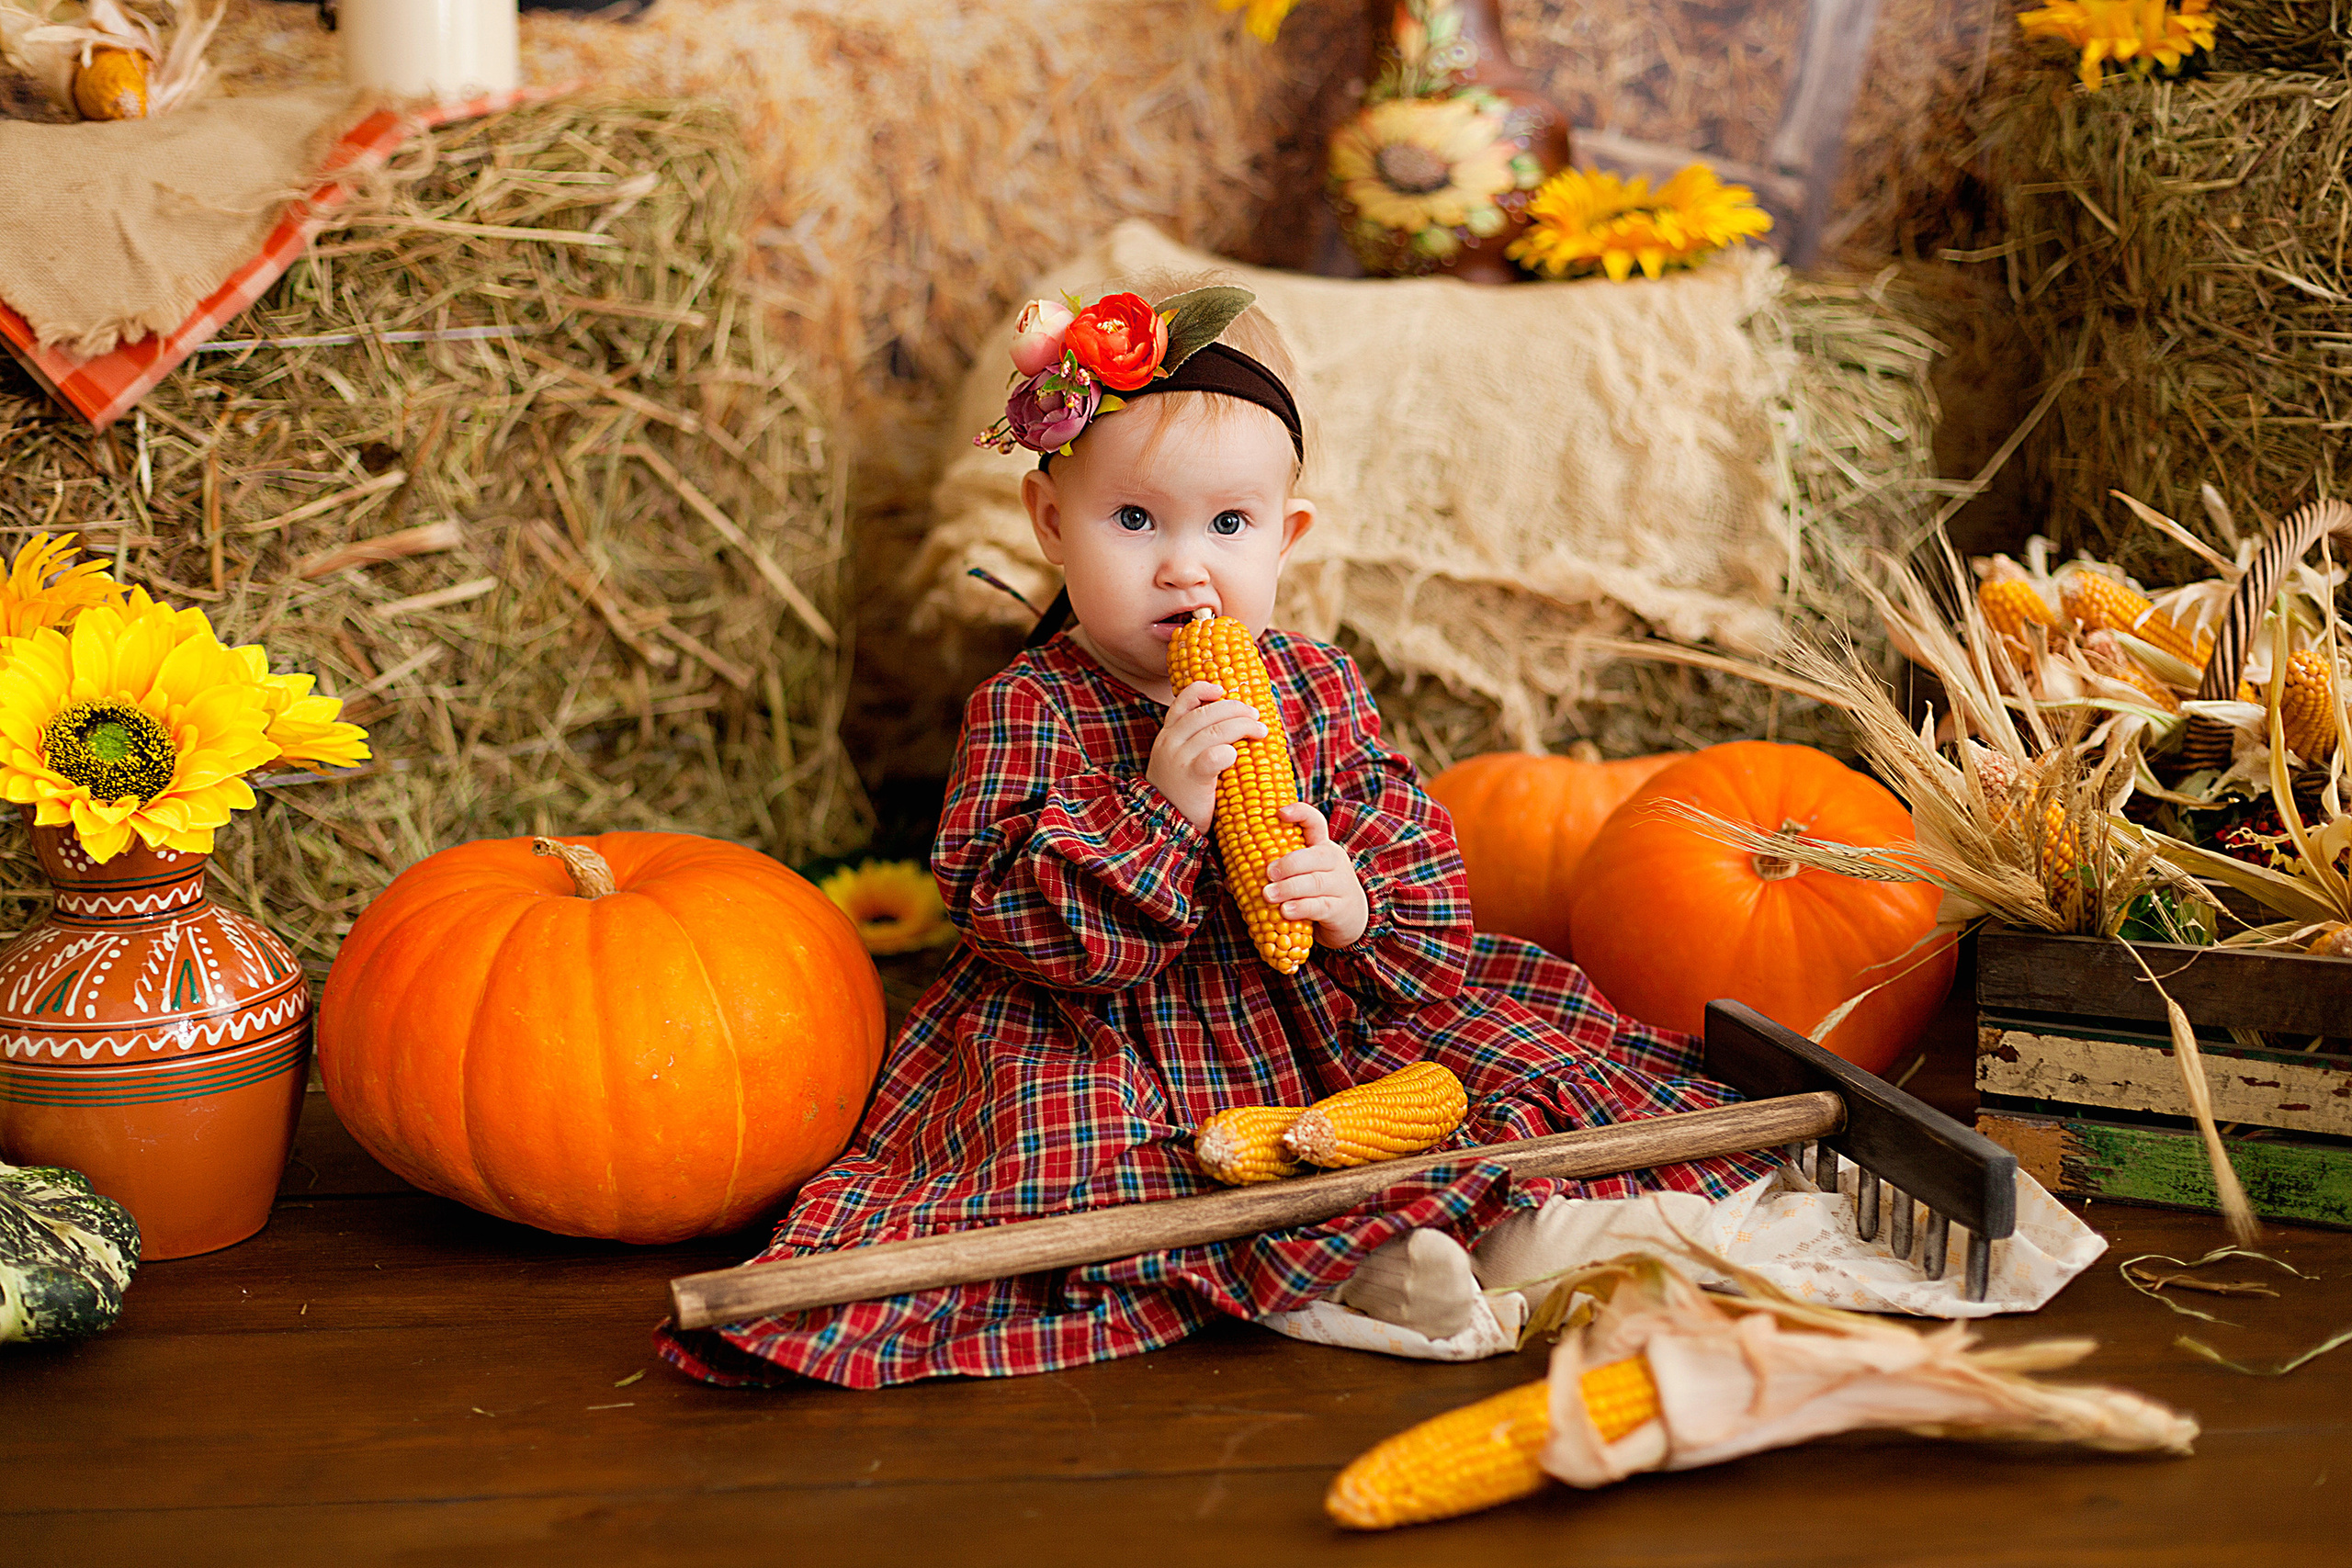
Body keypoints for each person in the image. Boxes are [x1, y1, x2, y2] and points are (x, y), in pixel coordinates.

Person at [657, 276, 1771, 1390]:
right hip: (1103, 1028)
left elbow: (1416, 861)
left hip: (1317, 1016)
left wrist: (1357, 903)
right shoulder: (1029, 705)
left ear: (1286, 538)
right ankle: (1343, 1273)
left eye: (1229, 525)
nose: (1184, 566)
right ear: (1050, 523)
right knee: (1071, 1145)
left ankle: (1465, 1231)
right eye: (1134, 520)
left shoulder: (1316, 685)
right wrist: (1161, 808)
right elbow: (1009, 913)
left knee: (1495, 1065)